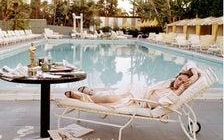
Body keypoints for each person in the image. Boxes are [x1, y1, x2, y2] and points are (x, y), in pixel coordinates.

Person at [64, 61, 200, 109]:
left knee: (110, 99)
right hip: (137, 91)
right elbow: (191, 63)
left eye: (183, 83)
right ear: (178, 75)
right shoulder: (171, 81)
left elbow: (162, 103)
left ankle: (84, 96)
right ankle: (90, 94)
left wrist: (181, 89)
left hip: (139, 101)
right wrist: (193, 76)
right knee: (111, 96)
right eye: (180, 79)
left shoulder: (173, 95)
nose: (179, 82)